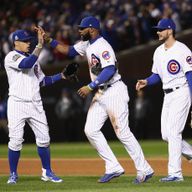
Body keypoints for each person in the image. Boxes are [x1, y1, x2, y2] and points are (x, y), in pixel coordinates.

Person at [45, 16, 154, 183]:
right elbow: (68, 51)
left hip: (114, 90)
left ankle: (144, 169)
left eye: (83, 28)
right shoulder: (87, 44)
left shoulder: (103, 46)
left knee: (123, 132)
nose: (80, 30)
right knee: (90, 130)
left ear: (92, 29)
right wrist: (49, 40)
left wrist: (90, 85)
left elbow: (110, 69)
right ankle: (113, 167)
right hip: (102, 92)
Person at [4, 27, 65, 184]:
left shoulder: (34, 59)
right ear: (16, 42)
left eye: (29, 41)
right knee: (16, 140)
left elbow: (43, 81)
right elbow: (25, 64)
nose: (28, 43)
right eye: (25, 41)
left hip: (35, 104)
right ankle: (13, 174)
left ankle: (47, 172)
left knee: (44, 139)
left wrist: (62, 75)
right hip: (17, 104)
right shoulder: (11, 56)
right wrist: (39, 45)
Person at [136, 18, 192, 182]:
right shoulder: (158, 51)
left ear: (170, 30)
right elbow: (157, 75)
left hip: (182, 92)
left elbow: (190, 76)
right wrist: (147, 81)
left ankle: (175, 174)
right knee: (166, 135)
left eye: (161, 29)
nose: (158, 32)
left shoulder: (183, 50)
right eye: (157, 29)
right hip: (167, 95)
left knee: (174, 133)